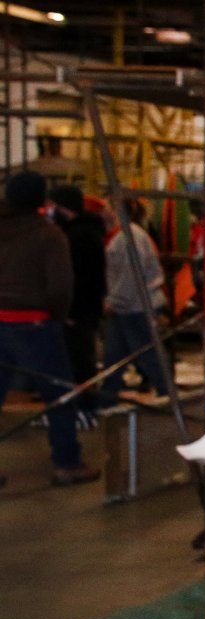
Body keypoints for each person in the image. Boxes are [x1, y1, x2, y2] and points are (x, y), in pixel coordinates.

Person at [0, 171, 98, 488]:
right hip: (35, 323)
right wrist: (58, 315)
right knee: (59, 395)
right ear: (43, 199)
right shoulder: (49, 234)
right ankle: (66, 463)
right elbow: (61, 285)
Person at [48, 185, 108, 423]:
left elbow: (79, 279)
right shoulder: (83, 233)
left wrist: (70, 310)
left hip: (79, 310)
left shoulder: (78, 237)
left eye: (54, 206)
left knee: (79, 361)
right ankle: (82, 407)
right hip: (84, 308)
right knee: (79, 359)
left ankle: (84, 408)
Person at [103, 196, 172, 401]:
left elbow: (131, 274)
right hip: (131, 305)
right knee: (116, 353)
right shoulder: (127, 235)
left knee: (146, 352)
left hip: (136, 305)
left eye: (106, 207)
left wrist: (114, 300)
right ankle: (107, 395)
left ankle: (166, 392)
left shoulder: (128, 237)